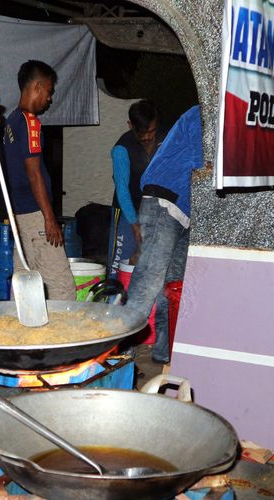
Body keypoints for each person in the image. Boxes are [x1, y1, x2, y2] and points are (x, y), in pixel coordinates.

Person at [125, 105, 203, 364]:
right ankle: (120, 351)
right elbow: (209, 165)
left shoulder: (213, 115)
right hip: (165, 201)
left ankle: (164, 350)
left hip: (183, 210)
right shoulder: (201, 114)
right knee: (148, 281)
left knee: (173, 286)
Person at [3, 60, 76, 301]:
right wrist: (49, 218)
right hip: (36, 216)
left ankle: (20, 336)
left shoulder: (11, 122)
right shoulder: (30, 122)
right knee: (63, 288)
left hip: (20, 215)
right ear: (37, 86)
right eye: (49, 90)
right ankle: (64, 338)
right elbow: (34, 173)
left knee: (23, 283)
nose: (50, 97)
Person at [107, 99, 165, 279]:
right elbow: (122, 190)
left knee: (152, 262)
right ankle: (113, 303)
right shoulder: (122, 149)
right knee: (120, 263)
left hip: (154, 209)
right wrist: (135, 225)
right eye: (142, 133)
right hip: (126, 210)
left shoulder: (165, 140)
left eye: (152, 131)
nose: (148, 137)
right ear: (130, 125)